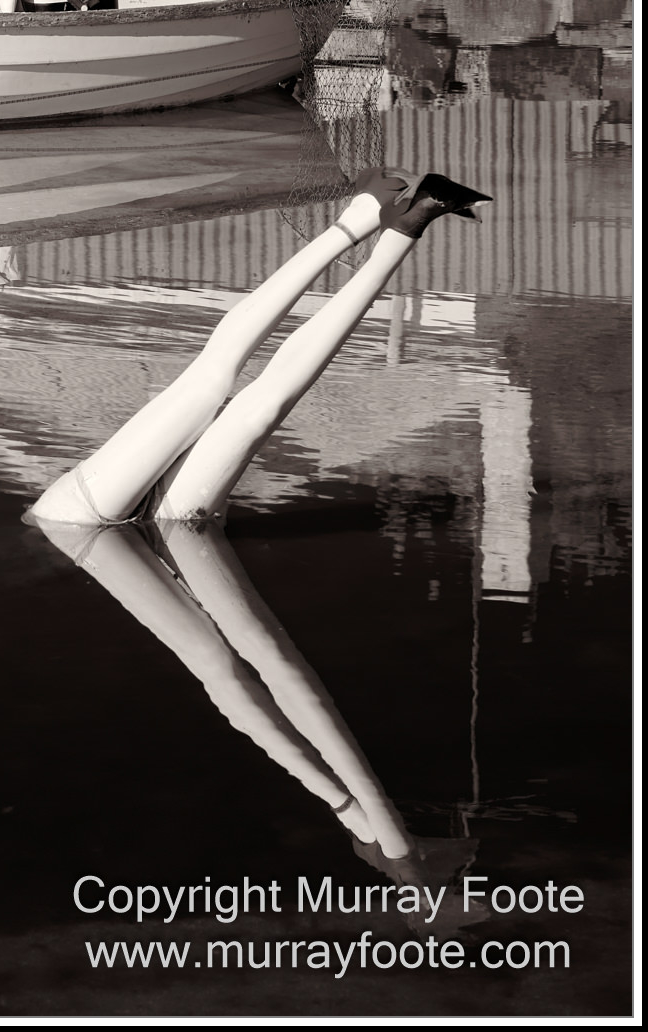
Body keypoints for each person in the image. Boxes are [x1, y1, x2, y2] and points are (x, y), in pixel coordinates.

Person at [28, 168, 490, 882]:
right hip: (148, 525)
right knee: (253, 406)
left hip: (82, 520)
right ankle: (396, 227)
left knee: (217, 382)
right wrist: (349, 811)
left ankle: (363, 222)